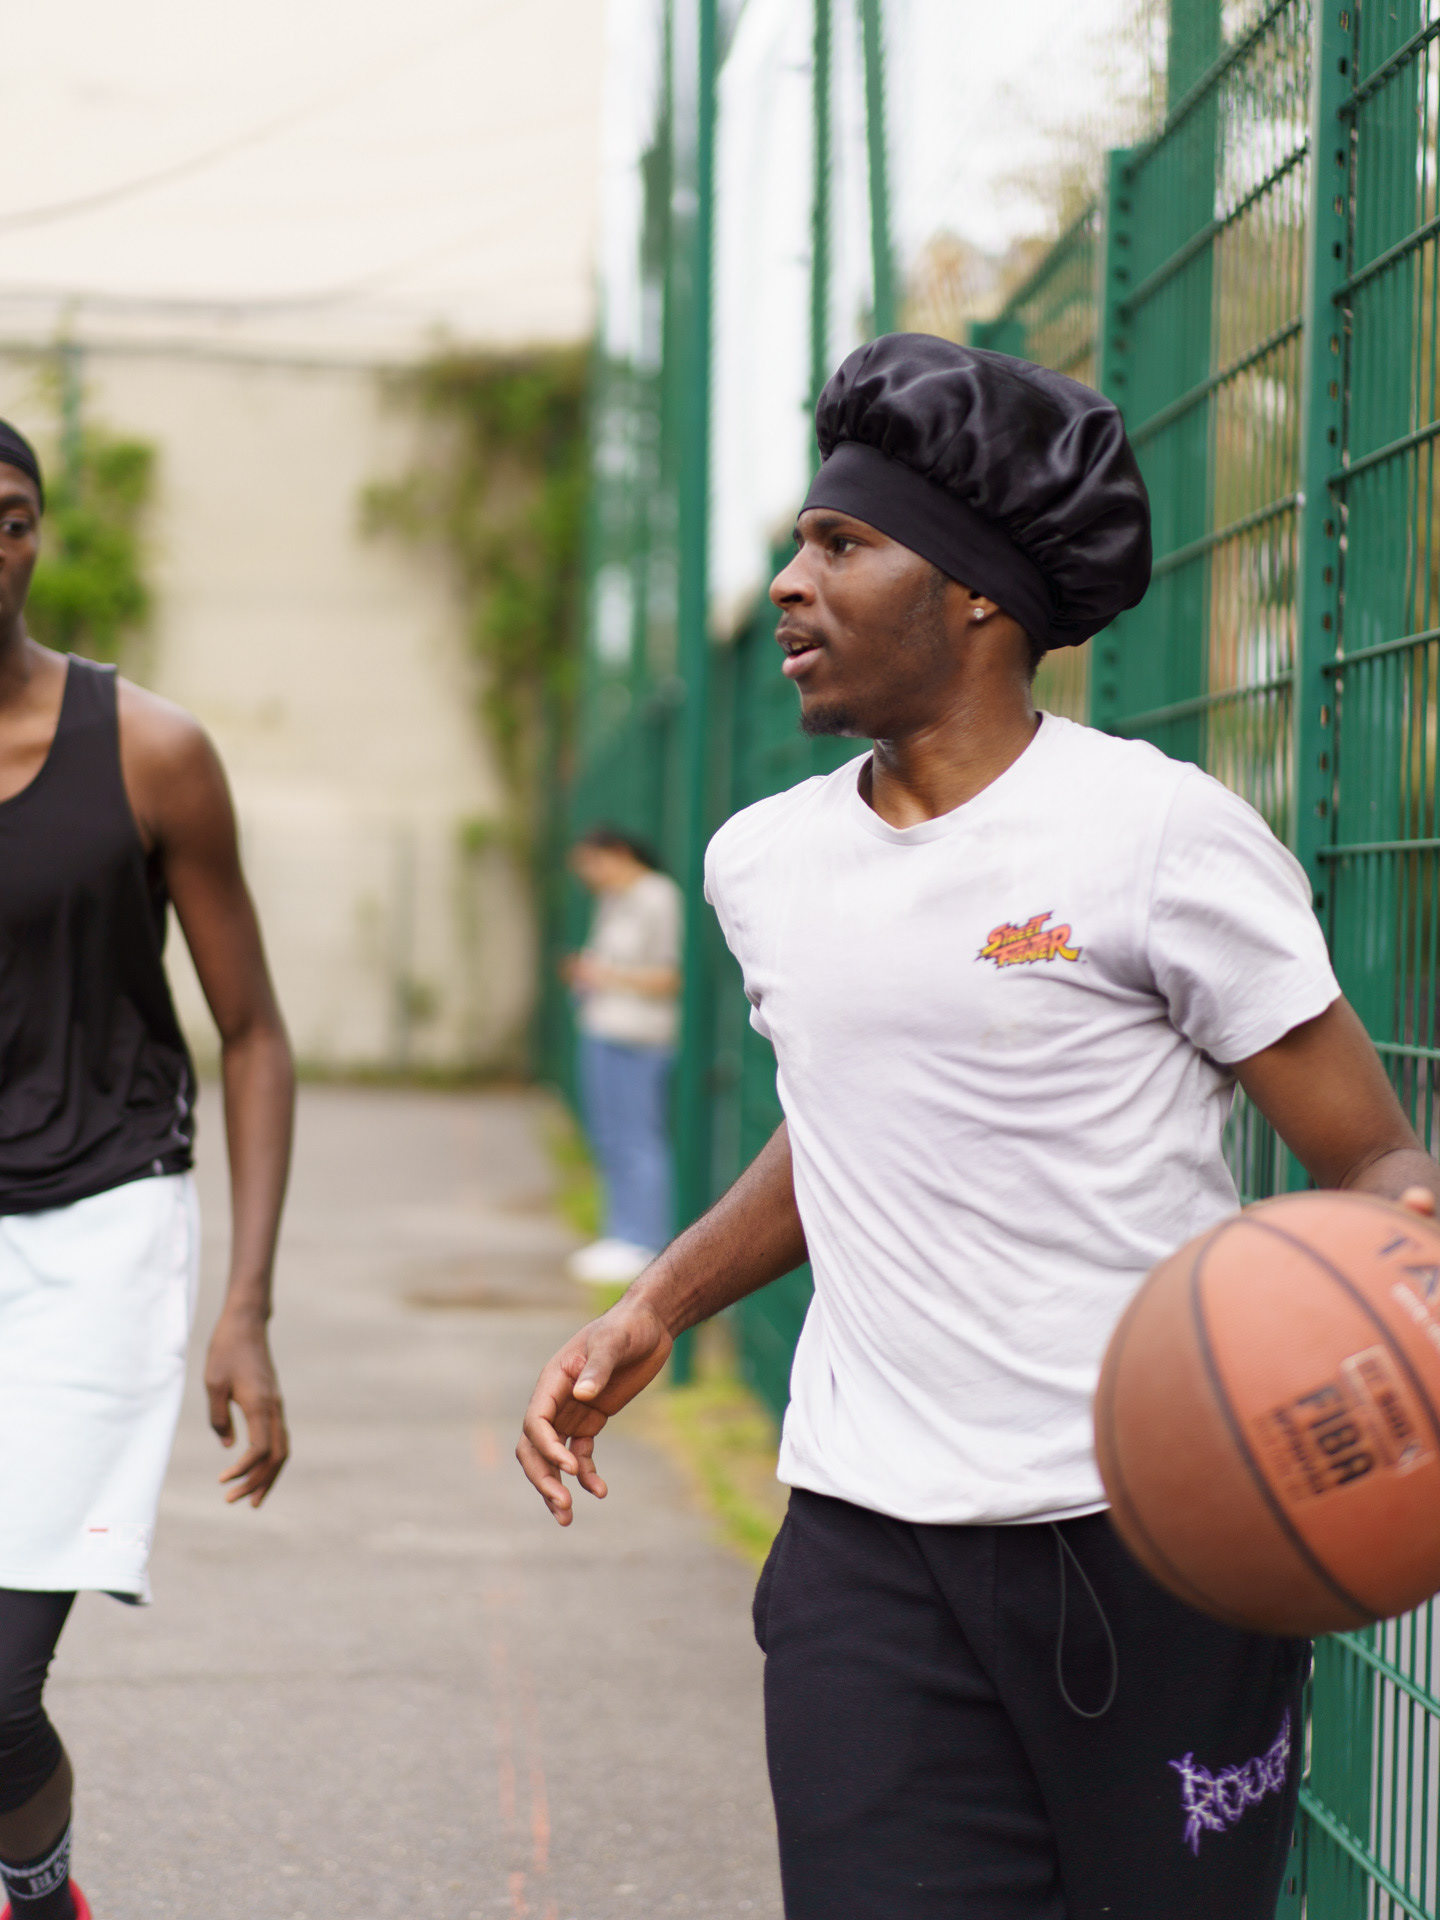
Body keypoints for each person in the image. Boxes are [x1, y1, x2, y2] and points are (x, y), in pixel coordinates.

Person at [518, 336, 1440, 1919]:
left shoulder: (1154, 836)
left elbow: (1369, 1156)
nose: (792, 583)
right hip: (867, 1551)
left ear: (975, 600)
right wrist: (658, 1301)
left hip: (1166, 1535)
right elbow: (847, 1122)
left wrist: (1398, 1316)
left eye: (842, 544)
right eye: (799, 542)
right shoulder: (762, 863)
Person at [0, 418, 293, 1920]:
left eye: (9, 516)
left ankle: (42, 1899)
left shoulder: (151, 751)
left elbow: (253, 1034)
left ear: (35, 537)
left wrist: (244, 1306)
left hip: (98, 1229)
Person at [562, 826, 682, 1287]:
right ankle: (620, 1233)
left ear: (618, 853)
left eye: (593, 864)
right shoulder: (614, 899)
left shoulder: (658, 897)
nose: (590, 877)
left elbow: (670, 977)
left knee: (639, 1138)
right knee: (611, 1135)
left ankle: (645, 1241)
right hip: (602, 1027)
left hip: (641, 1036)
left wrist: (604, 975)